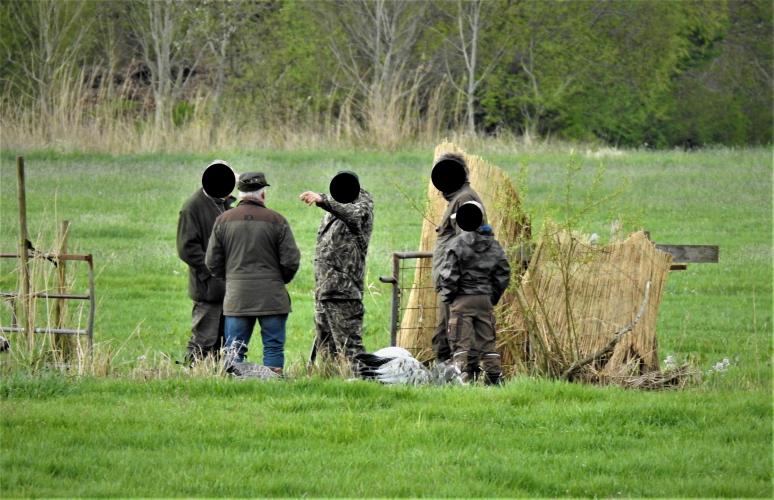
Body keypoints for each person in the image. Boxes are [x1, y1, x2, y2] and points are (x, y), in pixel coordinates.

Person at [205, 172, 300, 375]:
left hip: (237, 297)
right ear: (263, 194)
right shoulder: (277, 220)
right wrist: (277, 280)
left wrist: (232, 279)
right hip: (272, 297)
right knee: (273, 348)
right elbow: (291, 261)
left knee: (235, 351)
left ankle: (235, 387)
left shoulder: (223, 220)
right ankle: (274, 384)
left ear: (239, 194)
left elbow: (211, 262)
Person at [299, 171, 374, 365]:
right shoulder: (335, 207)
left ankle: (361, 384)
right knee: (325, 349)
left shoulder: (362, 206)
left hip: (344, 291)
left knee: (350, 348)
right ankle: (327, 382)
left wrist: (323, 200)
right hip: (326, 289)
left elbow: (352, 214)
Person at [436, 201, 511, 385]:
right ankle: (494, 379)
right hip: (485, 301)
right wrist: (491, 296)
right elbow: (503, 272)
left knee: (461, 343)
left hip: (463, 300)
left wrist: (450, 296)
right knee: (488, 343)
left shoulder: (457, 244)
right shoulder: (494, 245)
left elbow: (449, 275)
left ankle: (460, 380)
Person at [176, 160, 236, 364]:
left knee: (224, 340)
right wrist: (211, 269)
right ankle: (192, 376)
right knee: (203, 339)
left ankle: (217, 379)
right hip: (207, 289)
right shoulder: (192, 208)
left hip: (227, 288)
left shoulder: (225, 204)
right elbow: (187, 249)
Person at [430, 153, 486, 365]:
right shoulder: (459, 199)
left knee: (458, 336)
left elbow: (468, 241)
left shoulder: (464, 200)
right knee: (445, 338)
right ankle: (449, 385)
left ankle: (466, 382)